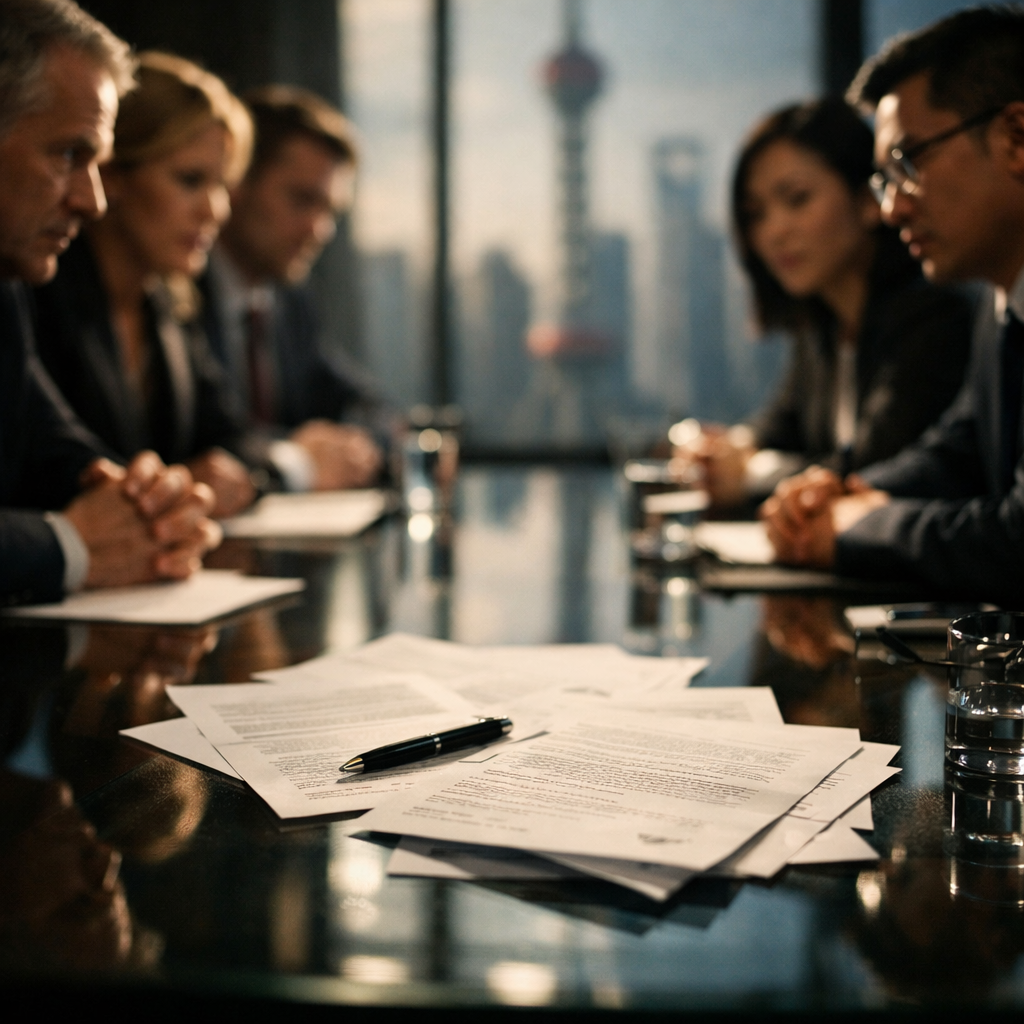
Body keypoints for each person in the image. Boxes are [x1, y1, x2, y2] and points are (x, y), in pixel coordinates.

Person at [760, 6, 1024, 604]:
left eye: (908, 163)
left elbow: (1016, 541)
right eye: (883, 180)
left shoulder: (946, 313)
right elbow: (959, 449)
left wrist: (859, 526)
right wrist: (845, 490)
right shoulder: (999, 303)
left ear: (1016, 138)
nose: (890, 209)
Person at [0, 0, 219, 605]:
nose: (93, 202)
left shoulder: (8, 282)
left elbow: (50, 441)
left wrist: (145, 504)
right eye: (71, 155)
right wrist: (70, 544)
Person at [673, 98, 973, 508]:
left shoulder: (931, 318)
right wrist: (729, 450)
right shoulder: (822, 328)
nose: (773, 232)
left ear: (869, 199)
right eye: (755, 213)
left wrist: (749, 475)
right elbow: (779, 426)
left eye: (796, 199)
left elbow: (874, 467)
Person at [32, 51, 256, 518]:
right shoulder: (40, 293)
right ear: (112, 175)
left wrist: (206, 478)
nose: (215, 211)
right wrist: (177, 486)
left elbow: (235, 440)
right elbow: (46, 471)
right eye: (191, 180)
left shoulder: (168, 305)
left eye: (221, 186)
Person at [202, 85, 388, 493]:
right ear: (236, 181)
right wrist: (299, 457)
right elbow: (203, 442)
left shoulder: (288, 302)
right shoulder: (174, 295)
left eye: (330, 212)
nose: (319, 231)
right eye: (302, 200)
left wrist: (363, 447)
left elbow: (360, 405)